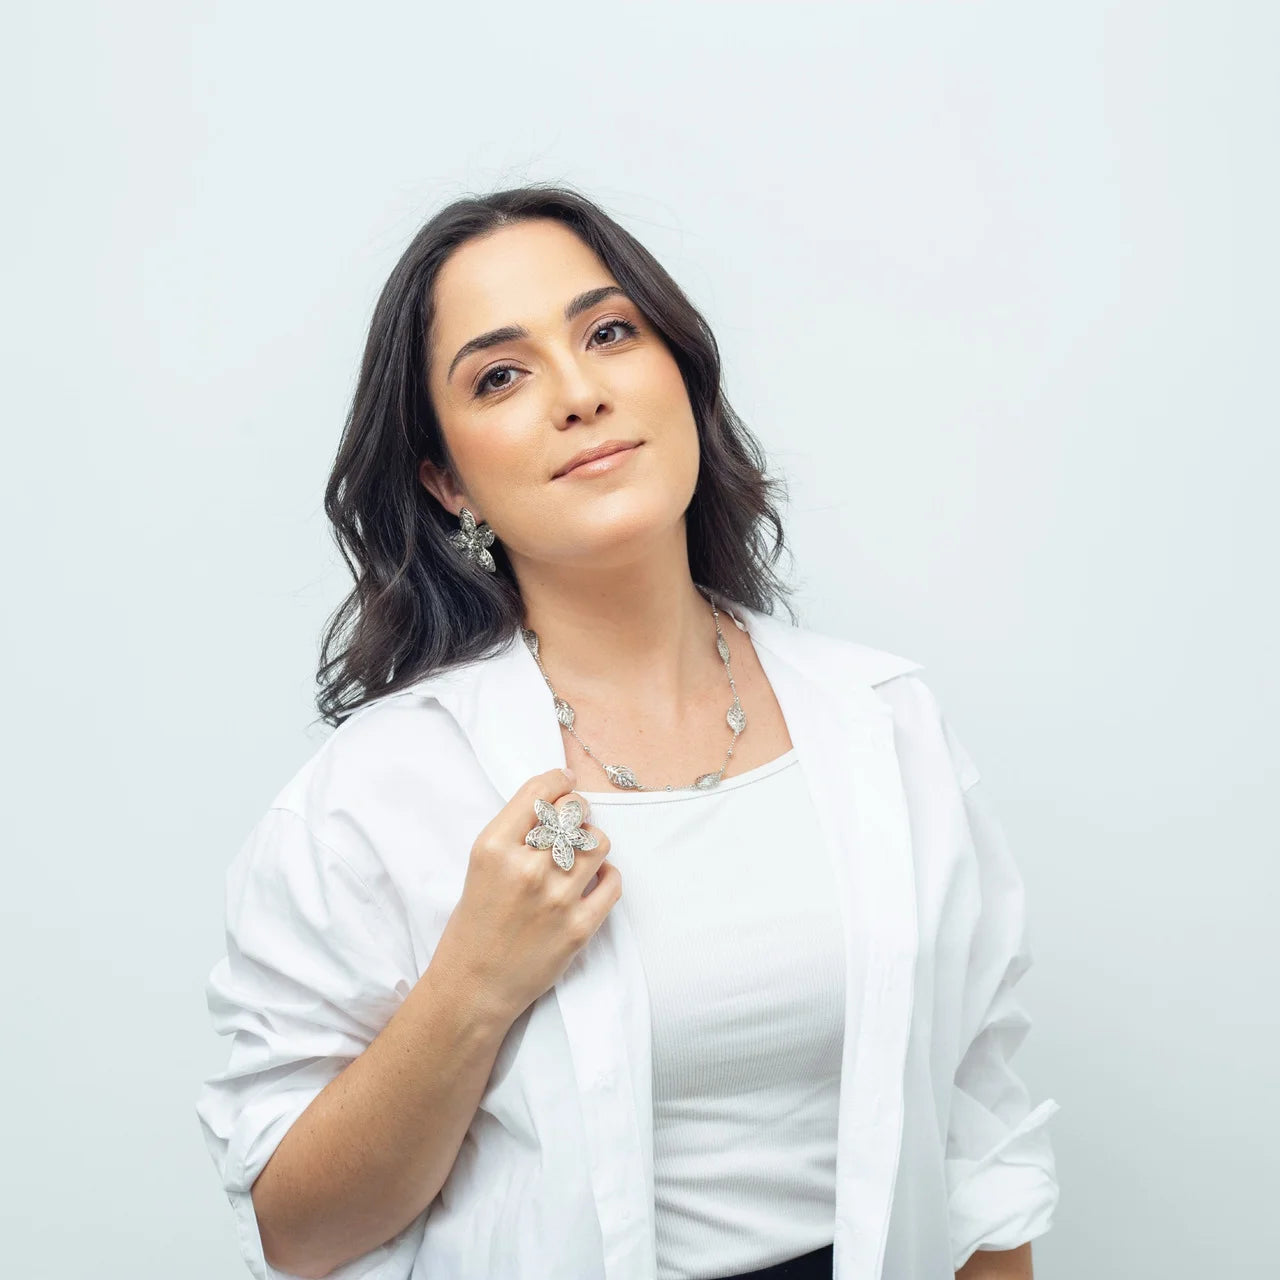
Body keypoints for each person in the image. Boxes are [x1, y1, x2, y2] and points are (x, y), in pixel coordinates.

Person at [195, 184, 1061, 1280]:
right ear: (446, 476)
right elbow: (296, 1229)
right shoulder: (377, 793)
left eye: (608, 332)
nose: (578, 393)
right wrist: (472, 980)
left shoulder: (882, 721)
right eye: (498, 375)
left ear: (680, 376)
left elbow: (976, 1135)